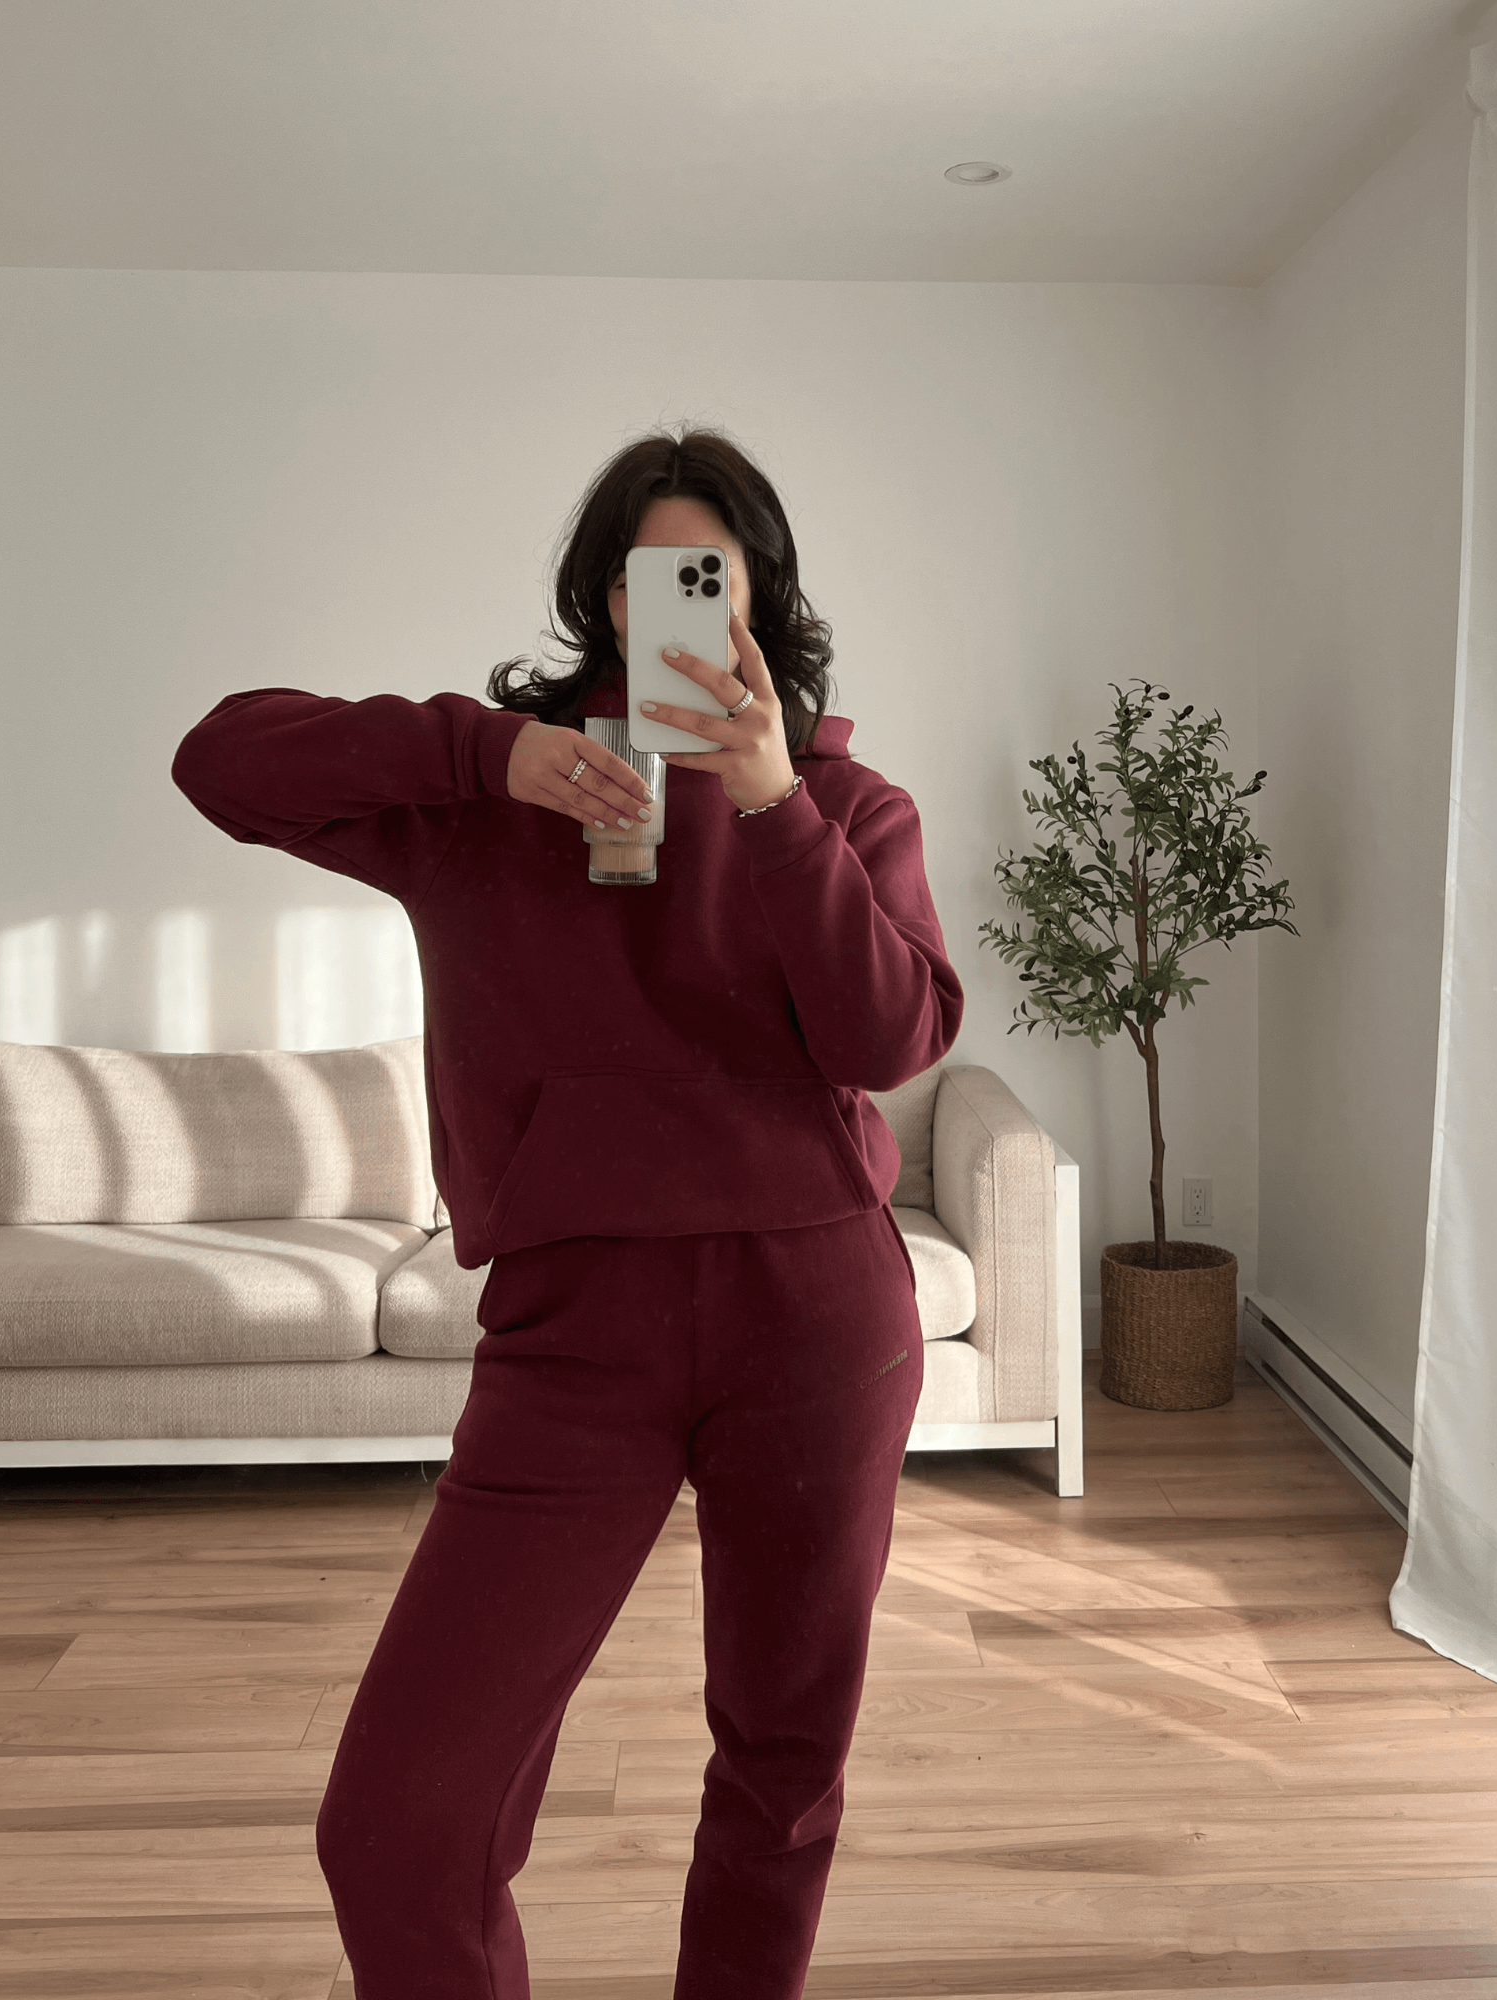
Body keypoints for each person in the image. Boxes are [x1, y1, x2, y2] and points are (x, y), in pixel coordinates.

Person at [170, 424, 964, 2000]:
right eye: (647, 575)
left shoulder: (847, 802)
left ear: (757, 599)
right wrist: (488, 753)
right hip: (569, 1338)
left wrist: (771, 804)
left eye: (710, 575)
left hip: (814, 1317)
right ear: (605, 599)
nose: (675, 604)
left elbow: (894, 1041)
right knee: (400, 1823)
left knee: (782, 1761)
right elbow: (222, 759)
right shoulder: (492, 795)